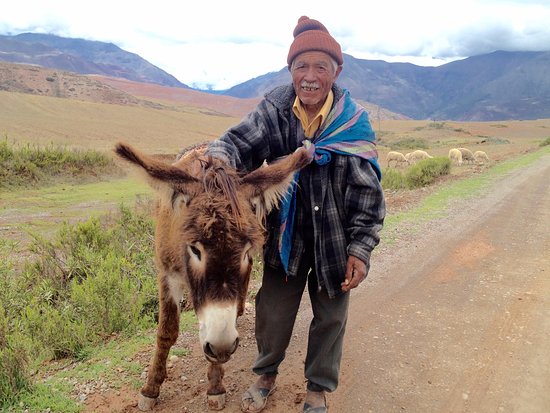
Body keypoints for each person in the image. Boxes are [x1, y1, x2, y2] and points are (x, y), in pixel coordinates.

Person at [204, 16, 385, 413]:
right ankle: (265, 374)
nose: (310, 76)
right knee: (272, 311)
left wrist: (361, 249)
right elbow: (238, 142)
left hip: (334, 242)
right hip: (285, 240)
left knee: (330, 318)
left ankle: (318, 387)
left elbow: (368, 198)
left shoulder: (353, 123)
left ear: (336, 72)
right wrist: (217, 160)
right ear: (290, 71)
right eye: (301, 66)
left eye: (321, 66)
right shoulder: (275, 110)